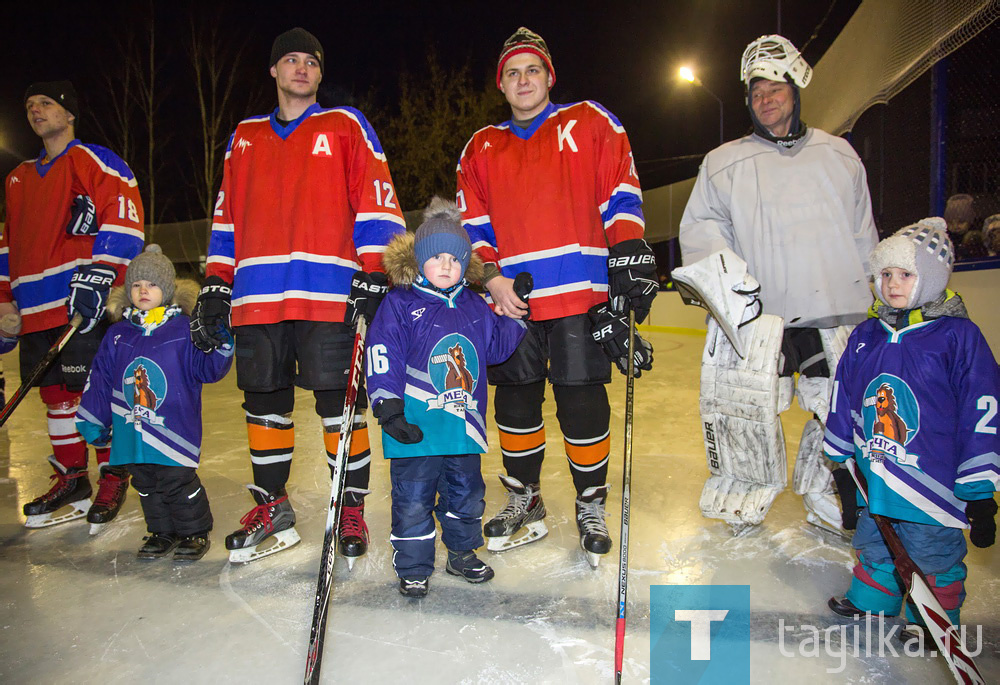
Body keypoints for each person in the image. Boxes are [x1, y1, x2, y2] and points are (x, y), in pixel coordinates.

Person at [198, 28, 406, 564]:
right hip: (257, 298)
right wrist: (218, 282)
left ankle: (351, 504)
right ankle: (273, 505)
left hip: (327, 296)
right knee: (264, 405)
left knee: (339, 404)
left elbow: (376, 199)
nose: (301, 69)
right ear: (273, 70)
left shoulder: (345, 125)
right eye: (290, 60)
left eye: (310, 62)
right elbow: (226, 217)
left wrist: (374, 273)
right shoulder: (243, 135)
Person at [456, 27, 655, 567]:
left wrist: (629, 254)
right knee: (516, 401)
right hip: (511, 303)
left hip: (580, 296)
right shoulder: (481, 146)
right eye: (513, 73)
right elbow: (474, 224)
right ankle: (526, 498)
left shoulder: (590, 122)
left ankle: (590, 503)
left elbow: (620, 194)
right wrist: (490, 278)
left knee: (581, 401)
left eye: (533, 70)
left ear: (550, 76)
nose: (524, 80)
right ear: (502, 84)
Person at [675, 34, 878, 535]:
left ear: (795, 91)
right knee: (743, 411)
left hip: (833, 313)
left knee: (835, 412)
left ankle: (830, 494)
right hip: (756, 319)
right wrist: (727, 295)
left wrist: (877, 291)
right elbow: (701, 232)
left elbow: (862, 232)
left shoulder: (840, 155)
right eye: (757, 90)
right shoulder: (723, 162)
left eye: (776, 87)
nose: (766, 98)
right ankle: (744, 495)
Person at [823, 218, 998, 627]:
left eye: (905, 274)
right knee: (875, 541)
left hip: (933, 481)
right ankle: (872, 599)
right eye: (885, 274)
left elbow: (982, 410)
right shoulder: (867, 334)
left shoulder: (958, 337)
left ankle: (933, 620)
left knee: (932, 551)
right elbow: (843, 397)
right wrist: (841, 465)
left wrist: (978, 491)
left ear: (932, 277)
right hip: (877, 472)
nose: (892, 283)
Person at [2, 80, 144, 530]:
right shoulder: (18, 177)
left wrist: (101, 273)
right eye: (29, 105)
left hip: (79, 306)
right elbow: (9, 244)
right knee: (55, 400)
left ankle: (112, 475)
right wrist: (5, 299)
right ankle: (72, 477)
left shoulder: (92, 160)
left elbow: (125, 216)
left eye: (46, 103)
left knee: (93, 395)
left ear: (69, 113)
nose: (36, 111)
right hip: (34, 309)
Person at [367, 198, 525, 597]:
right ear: (419, 261)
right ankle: (414, 566)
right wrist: (388, 407)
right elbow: (383, 352)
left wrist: (518, 316)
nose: (445, 265)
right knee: (413, 500)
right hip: (415, 428)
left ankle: (461, 553)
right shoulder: (400, 304)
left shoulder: (473, 304)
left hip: (462, 427)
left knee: (467, 493)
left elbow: (495, 349)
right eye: (436, 257)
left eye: (454, 259)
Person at [75, 245, 232, 561]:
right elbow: (101, 377)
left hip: (174, 427)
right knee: (145, 482)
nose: (143, 290)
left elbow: (208, 369)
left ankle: (193, 531)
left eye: (152, 284)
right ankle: (162, 531)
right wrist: (92, 419)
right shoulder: (118, 334)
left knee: (176, 480)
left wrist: (222, 341)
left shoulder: (184, 329)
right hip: (132, 426)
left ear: (169, 289)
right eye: (136, 284)